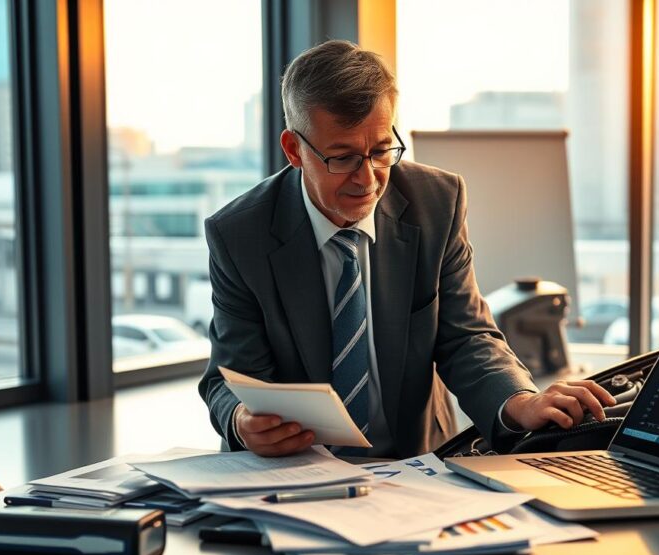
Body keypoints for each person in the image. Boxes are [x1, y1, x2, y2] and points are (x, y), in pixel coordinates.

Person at [198, 40, 615, 458]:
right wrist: (241, 421)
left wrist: (520, 401)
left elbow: (466, 337)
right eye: (342, 158)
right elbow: (229, 378)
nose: (368, 180)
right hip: (291, 474)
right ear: (294, 150)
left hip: (416, 465)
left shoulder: (437, 201)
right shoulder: (239, 234)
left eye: (381, 151)